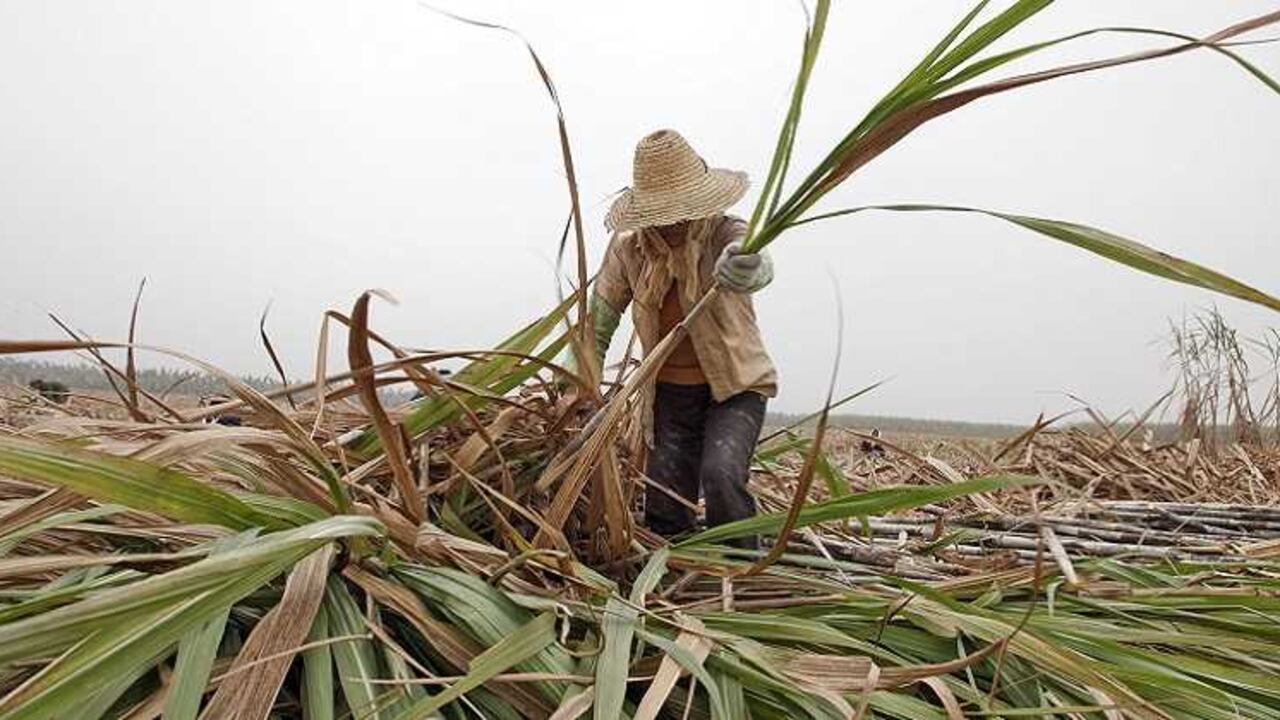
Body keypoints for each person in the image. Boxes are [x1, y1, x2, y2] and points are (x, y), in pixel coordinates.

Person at [575, 129, 778, 547]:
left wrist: (746, 264)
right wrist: (578, 386)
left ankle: (740, 566)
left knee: (721, 475)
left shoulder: (724, 233)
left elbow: (756, 260)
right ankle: (676, 579)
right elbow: (598, 324)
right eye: (660, 213)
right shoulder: (630, 251)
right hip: (669, 395)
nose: (670, 223)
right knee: (665, 505)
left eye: (679, 211)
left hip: (734, 389)